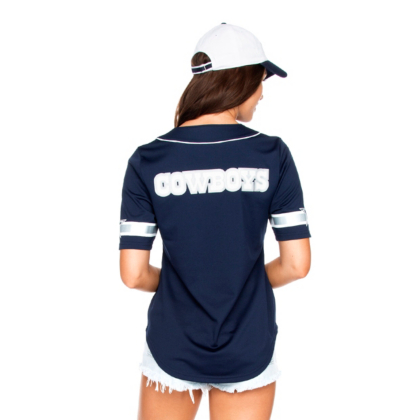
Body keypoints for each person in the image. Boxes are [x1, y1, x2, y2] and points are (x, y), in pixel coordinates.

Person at [119, 23, 312, 420]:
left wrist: (184, 284)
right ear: (240, 79)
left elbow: (133, 275)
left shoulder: (148, 159)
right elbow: (297, 264)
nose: (262, 93)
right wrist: (242, 281)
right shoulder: (272, 155)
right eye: (261, 80)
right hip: (249, 344)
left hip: (172, 343)